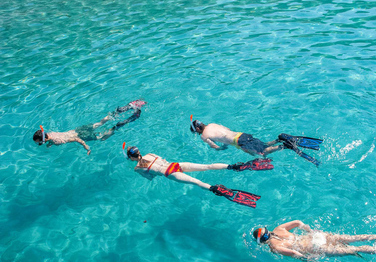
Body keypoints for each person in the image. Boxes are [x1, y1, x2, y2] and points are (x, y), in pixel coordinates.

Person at [124, 145, 272, 208]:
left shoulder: (137, 168)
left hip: (169, 173)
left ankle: (217, 189)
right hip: (175, 165)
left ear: (131, 158)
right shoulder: (150, 154)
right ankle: (234, 166)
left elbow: (151, 177)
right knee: (206, 166)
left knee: (197, 182)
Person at [253, 220, 376, 262]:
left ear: (262, 241)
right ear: (268, 230)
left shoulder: (274, 247)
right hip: (317, 236)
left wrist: (307, 259)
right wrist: (311, 231)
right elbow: (299, 223)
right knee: (354, 238)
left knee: (357, 249)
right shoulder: (279, 229)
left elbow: (293, 252)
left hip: (314, 247)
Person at [189, 117, 323, 166]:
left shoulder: (203, 136)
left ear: (198, 129)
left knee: (262, 153)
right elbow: (227, 130)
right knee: (263, 145)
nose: (199, 133)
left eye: (197, 132)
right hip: (241, 134)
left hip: (239, 142)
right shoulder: (212, 124)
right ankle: (279, 138)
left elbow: (214, 146)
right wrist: (225, 140)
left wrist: (221, 148)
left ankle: (284, 145)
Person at [33, 100, 146, 155]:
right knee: (100, 123)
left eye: (40, 142)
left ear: (44, 139)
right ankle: (125, 108)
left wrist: (86, 147)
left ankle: (124, 122)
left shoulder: (57, 141)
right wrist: (49, 143)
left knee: (102, 137)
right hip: (78, 129)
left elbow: (75, 139)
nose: (40, 143)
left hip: (81, 135)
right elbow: (53, 139)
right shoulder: (51, 133)